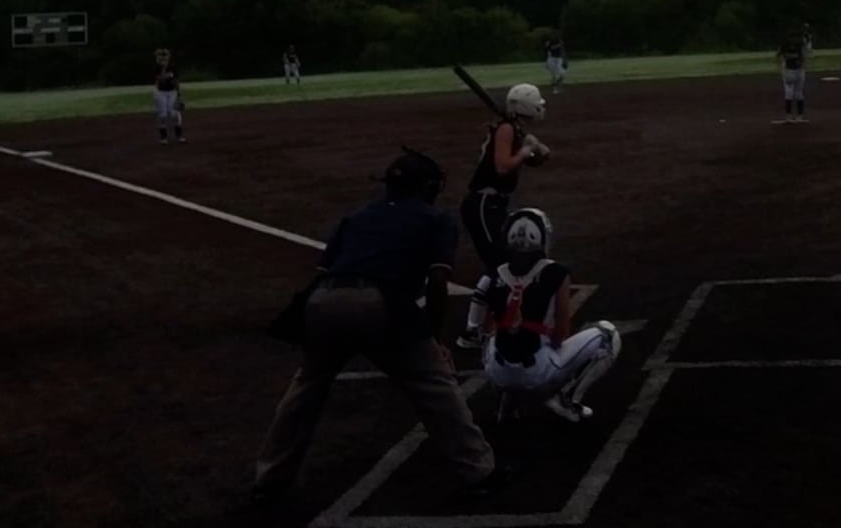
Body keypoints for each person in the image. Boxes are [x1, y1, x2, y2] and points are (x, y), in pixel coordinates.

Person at [252, 148, 506, 504]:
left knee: (306, 388)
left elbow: (323, 273)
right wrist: (432, 337)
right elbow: (437, 282)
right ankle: (477, 470)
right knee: (434, 385)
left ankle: (270, 479)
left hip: (322, 301)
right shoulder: (436, 219)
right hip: (379, 304)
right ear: (428, 187)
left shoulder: (357, 215)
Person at [465, 208, 621, 423]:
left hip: (498, 372)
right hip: (537, 374)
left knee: (492, 338)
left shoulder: (492, 275)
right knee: (607, 335)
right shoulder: (556, 273)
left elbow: (477, 329)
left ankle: (506, 399)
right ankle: (566, 398)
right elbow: (560, 334)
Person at [457, 84, 550, 345]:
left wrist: (537, 149)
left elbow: (537, 159)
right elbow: (502, 167)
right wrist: (525, 149)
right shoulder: (506, 129)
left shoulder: (515, 130)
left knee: (501, 260)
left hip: (493, 204)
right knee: (498, 262)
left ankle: (495, 321)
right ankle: (472, 330)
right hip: (483, 203)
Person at [777, 28, 809, 123]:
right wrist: (803, 64)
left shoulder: (784, 43)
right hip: (799, 70)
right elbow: (804, 56)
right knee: (799, 92)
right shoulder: (801, 42)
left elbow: (778, 55)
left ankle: (788, 116)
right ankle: (800, 115)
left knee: (788, 92)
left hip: (788, 70)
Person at [154, 48, 185, 144]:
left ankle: (179, 136)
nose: (164, 58)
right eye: (163, 56)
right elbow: (161, 80)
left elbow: (176, 81)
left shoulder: (173, 67)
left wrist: (179, 94)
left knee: (174, 113)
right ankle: (163, 138)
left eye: (166, 56)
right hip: (160, 93)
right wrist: (163, 68)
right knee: (162, 114)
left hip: (172, 92)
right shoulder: (157, 67)